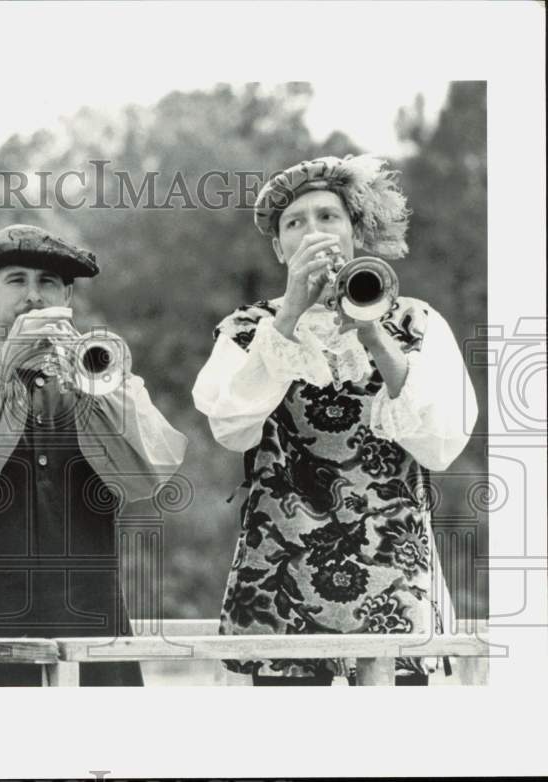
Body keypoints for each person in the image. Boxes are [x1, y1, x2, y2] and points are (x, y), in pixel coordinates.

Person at [192, 154, 477, 685]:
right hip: (280, 577)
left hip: (395, 574)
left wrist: (370, 328)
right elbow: (230, 427)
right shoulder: (244, 328)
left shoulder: (416, 320)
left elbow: (442, 444)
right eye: (295, 224)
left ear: (355, 232)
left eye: (328, 217)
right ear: (279, 248)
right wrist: (291, 314)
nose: (313, 232)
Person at [0, 224, 187, 686]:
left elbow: (150, 472)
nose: (33, 297)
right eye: (16, 281)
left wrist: (89, 385)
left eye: (47, 283)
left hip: (93, 621)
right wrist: (5, 368)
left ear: (67, 300)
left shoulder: (109, 384)